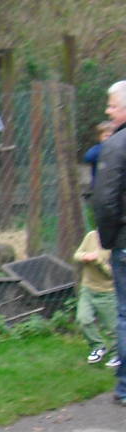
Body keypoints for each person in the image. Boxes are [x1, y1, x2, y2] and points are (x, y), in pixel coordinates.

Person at [89, 80, 126, 404]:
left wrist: (108, 239)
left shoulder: (116, 145)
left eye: (112, 105)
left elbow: (105, 200)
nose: (107, 110)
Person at [72, 226, 118, 365]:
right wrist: (85, 256)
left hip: (107, 292)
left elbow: (113, 274)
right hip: (88, 288)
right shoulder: (91, 235)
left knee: (113, 327)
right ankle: (98, 347)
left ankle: (118, 355)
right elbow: (77, 254)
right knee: (83, 319)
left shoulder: (117, 243)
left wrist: (98, 263)